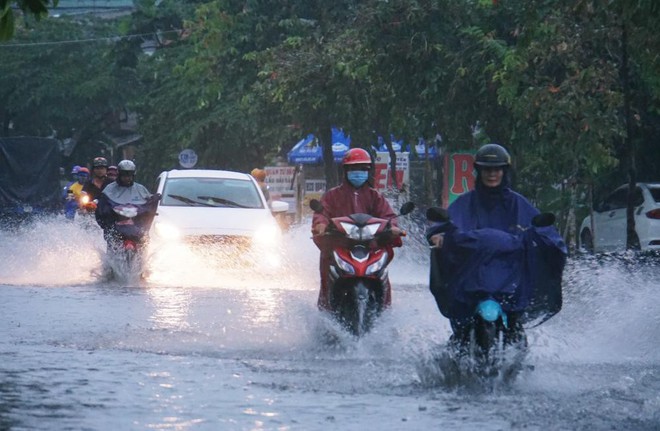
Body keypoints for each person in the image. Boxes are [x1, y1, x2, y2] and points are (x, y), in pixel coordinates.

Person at [427, 143, 567, 346]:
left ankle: (517, 353)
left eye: (496, 169)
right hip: (472, 278)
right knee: (460, 324)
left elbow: (545, 231)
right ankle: (458, 346)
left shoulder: (518, 203)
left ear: (504, 171)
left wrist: (547, 241)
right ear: (479, 171)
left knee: (516, 323)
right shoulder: (466, 202)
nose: (492, 174)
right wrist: (439, 235)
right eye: (486, 169)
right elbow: (444, 224)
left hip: (508, 280)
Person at [311, 148, 404, 310]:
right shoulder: (333, 195)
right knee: (327, 271)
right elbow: (322, 213)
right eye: (354, 169)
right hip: (340, 245)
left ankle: (385, 310)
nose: (358, 173)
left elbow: (388, 216)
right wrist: (321, 225)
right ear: (346, 171)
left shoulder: (375, 196)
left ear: (368, 171)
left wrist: (394, 227)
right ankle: (326, 311)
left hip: (370, 247)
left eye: (363, 169)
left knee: (383, 274)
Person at [95, 160, 159, 252]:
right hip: (116, 224)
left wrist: (154, 199)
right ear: (119, 174)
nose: (127, 178)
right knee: (111, 239)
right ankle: (110, 261)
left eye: (129, 175)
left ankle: (142, 258)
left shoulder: (140, 189)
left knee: (144, 239)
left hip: (135, 225)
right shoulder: (110, 189)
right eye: (124, 175)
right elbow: (103, 205)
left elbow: (148, 203)